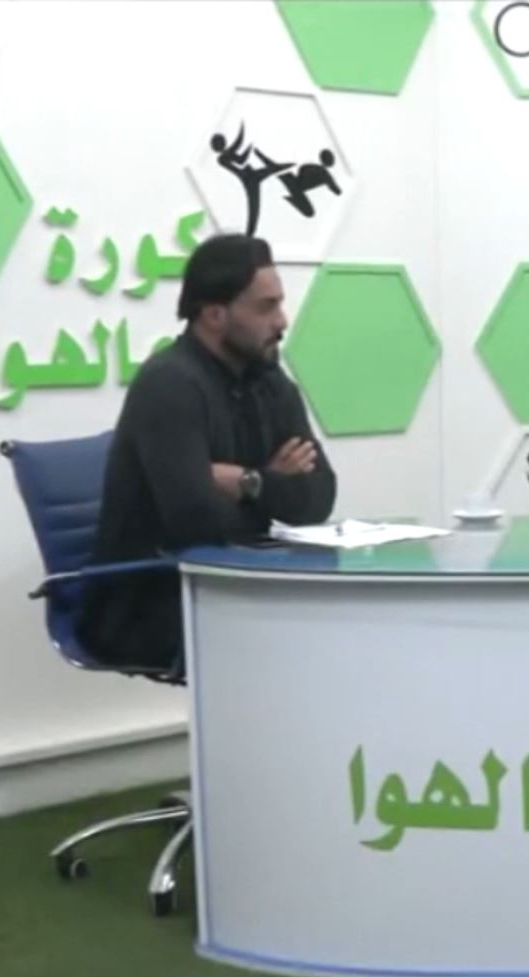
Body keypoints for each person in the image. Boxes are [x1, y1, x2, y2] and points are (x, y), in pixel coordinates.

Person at [78, 233, 336, 670]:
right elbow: (198, 525)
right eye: (266, 307)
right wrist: (274, 489)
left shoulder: (270, 381)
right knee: (316, 641)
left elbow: (319, 497)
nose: (282, 321)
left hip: (237, 583)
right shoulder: (169, 385)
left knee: (344, 622)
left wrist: (247, 482)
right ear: (215, 315)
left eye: (280, 304)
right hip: (148, 603)